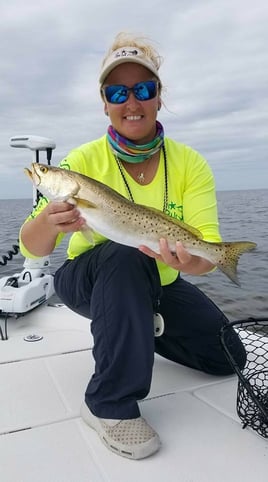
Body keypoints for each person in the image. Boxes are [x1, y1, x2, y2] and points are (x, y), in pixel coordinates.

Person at [19, 32, 246, 460]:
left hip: (159, 279)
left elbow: (204, 259)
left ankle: (140, 327)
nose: (131, 102)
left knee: (226, 357)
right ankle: (110, 404)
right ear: (104, 103)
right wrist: (50, 220)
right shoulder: (81, 164)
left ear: (159, 97)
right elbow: (30, 245)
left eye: (143, 89)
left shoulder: (190, 163)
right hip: (88, 279)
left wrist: (198, 260)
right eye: (117, 92)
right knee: (124, 255)